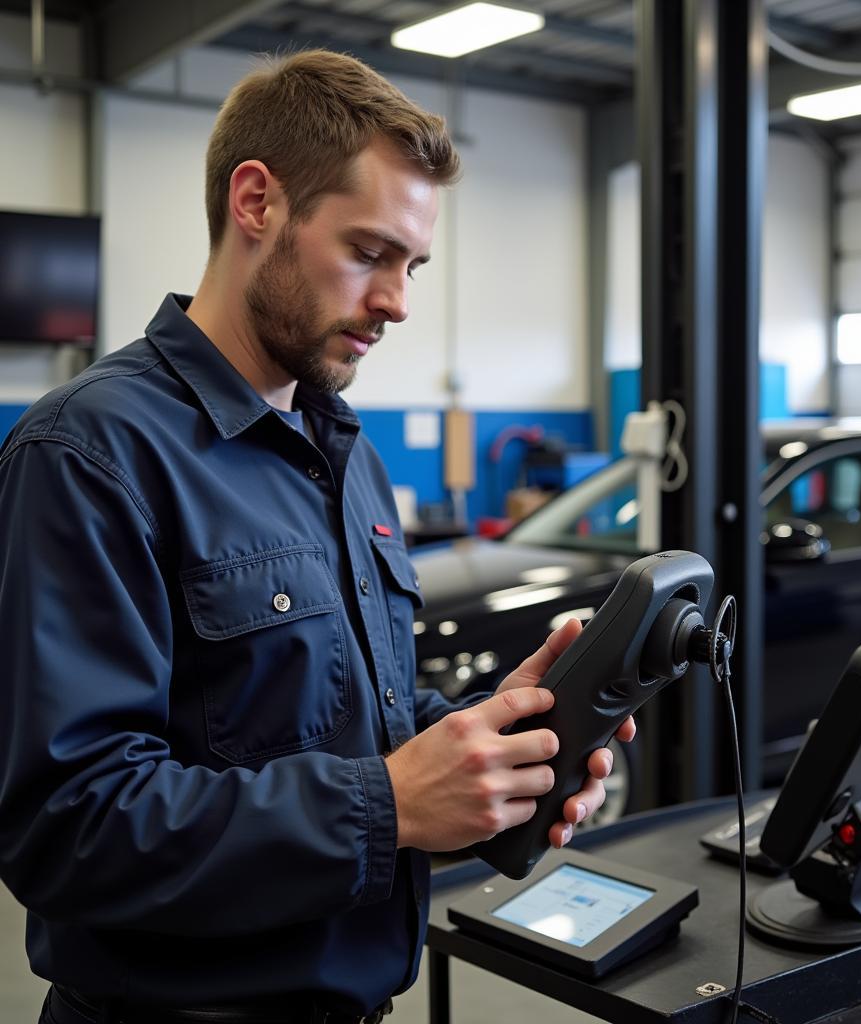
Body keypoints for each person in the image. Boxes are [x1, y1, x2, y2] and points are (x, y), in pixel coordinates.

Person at [0, 49, 635, 1024]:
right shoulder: (89, 454)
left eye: (411, 265)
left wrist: (474, 742)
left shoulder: (345, 452)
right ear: (256, 202)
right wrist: (389, 806)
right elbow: (66, 826)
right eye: (369, 252)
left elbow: (333, 717)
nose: (398, 301)